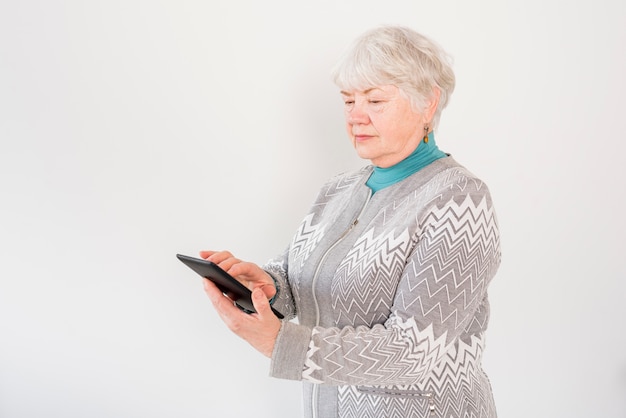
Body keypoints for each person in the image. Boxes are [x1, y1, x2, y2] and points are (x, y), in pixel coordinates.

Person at [200, 25, 501, 418]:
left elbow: (413, 352)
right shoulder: (337, 191)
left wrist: (282, 345)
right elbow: (301, 281)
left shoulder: (459, 200)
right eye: (348, 101)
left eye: (375, 100)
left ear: (428, 103)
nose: (356, 116)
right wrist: (268, 286)